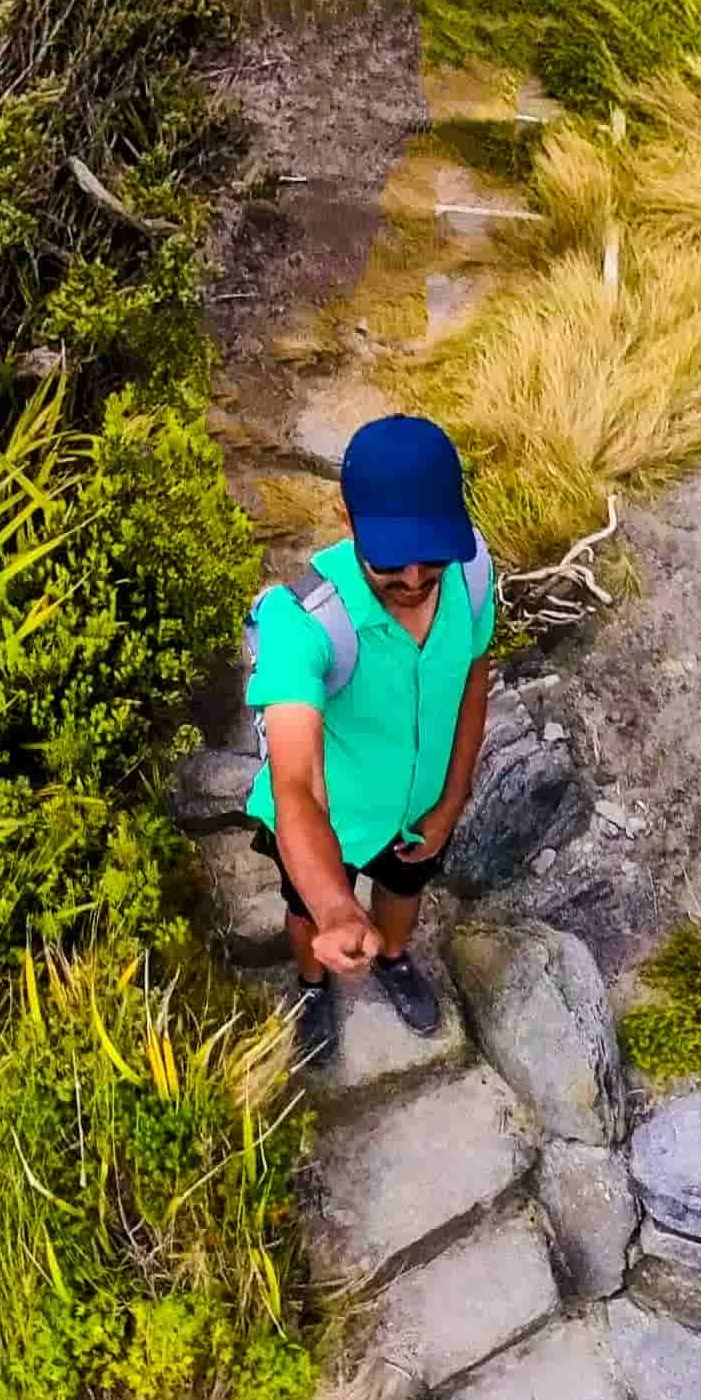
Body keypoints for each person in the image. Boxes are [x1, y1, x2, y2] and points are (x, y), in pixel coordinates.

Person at [244, 413, 494, 1068]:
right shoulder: (302, 623)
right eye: (390, 557)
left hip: (419, 811)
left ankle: (394, 957)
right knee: (305, 912)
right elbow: (295, 785)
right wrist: (334, 908)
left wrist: (450, 803)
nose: (413, 577)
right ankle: (312, 984)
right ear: (345, 519)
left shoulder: (472, 573)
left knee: (404, 893)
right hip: (329, 827)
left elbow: (473, 677)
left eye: (431, 552)